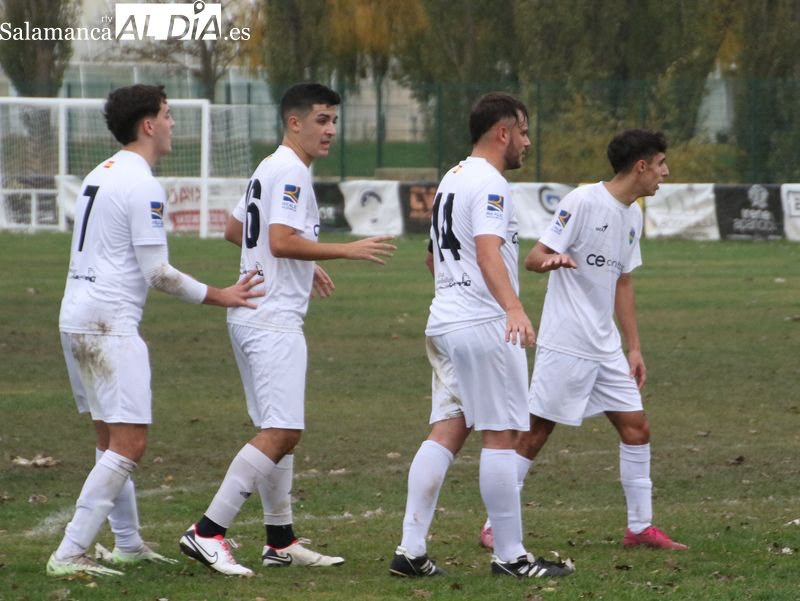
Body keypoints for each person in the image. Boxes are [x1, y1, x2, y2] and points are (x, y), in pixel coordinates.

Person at [178, 82, 396, 577]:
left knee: (278, 426)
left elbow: (239, 231)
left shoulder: (269, 165)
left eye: (334, 120)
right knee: (283, 430)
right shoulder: (292, 170)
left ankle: (280, 539)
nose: (331, 130)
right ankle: (208, 531)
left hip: (252, 315)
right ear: (294, 122)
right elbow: (278, 240)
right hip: (272, 320)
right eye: (321, 120)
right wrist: (344, 250)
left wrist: (302, 264)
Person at [48, 84, 263, 578]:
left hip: (76, 315)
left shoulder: (98, 174)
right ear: (148, 124)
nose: (172, 125)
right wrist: (222, 294)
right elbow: (159, 273)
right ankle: (69, 551)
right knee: (130, 443)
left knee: (110, 439)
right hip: (109, 325)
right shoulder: (142, 183)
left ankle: (127, 543)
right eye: (167, 115)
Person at [388, 92, 574, 580]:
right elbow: (488, 250)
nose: (527, 143)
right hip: (482, 324)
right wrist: (513, 306)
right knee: (504, 434)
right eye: (525, 132)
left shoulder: (451, 178)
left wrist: (460, 292)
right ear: (503, 132)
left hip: (445, 319)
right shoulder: (491, 183)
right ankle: (511, 557)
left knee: (449, 428)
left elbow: (433, 257)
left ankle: (410, 550)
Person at [478, 128, 687, 552]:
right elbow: (535, 257)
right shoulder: (583, 201)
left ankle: (640, 528)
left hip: (605, 345)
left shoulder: (633, 214)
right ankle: (492, 525)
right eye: (662, 164)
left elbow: (622, 282)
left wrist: (634, 346)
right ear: (641, 166)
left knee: (637, 428)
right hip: (567, 341)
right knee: (535, 433)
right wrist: (551, 260)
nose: (666, 173)